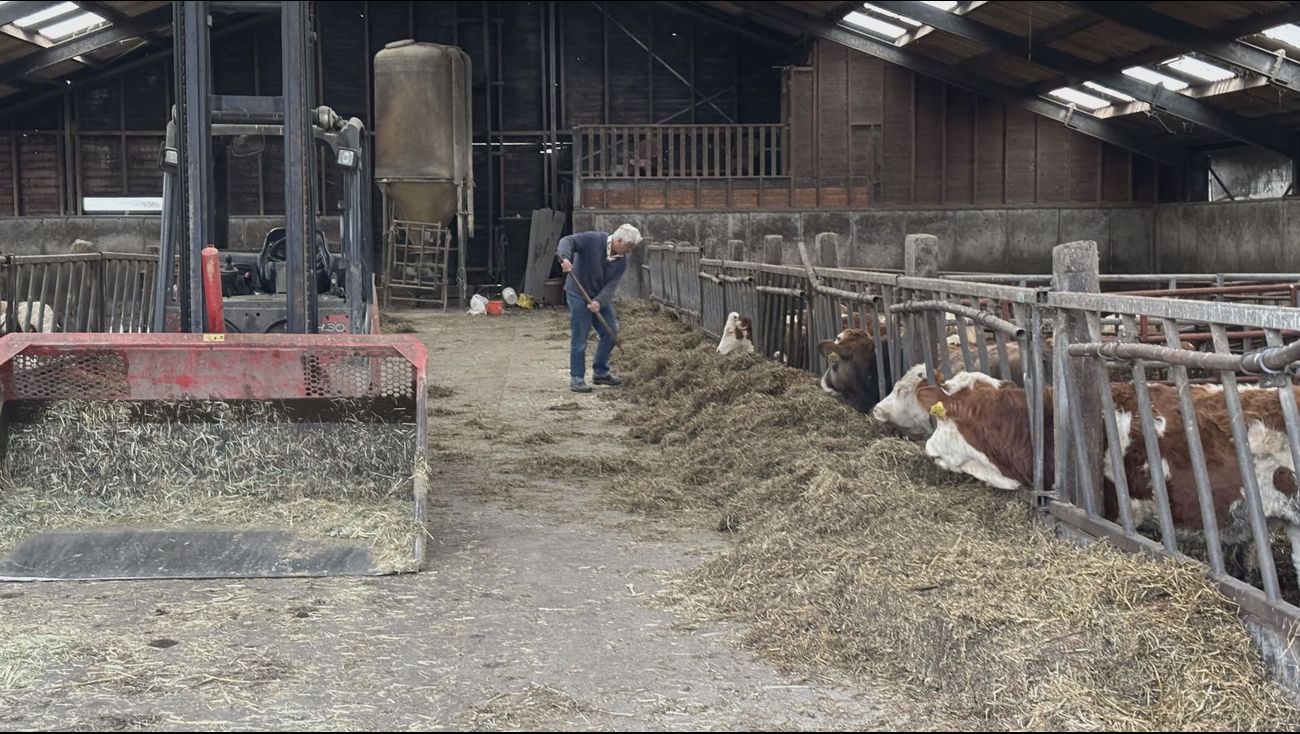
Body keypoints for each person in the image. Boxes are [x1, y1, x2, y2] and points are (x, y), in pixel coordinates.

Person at [555, 223, 642, 393]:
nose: (630, 250)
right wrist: (565, 258)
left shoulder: (621, 261)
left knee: (611, 330)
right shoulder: (592, 240)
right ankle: (577, 378)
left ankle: (600, 372)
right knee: (580, 336)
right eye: (629, 246)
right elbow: (567, 241)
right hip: (578, 292)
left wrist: (599, 302)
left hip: (598, 297)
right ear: (618, 240)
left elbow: (611, 285)